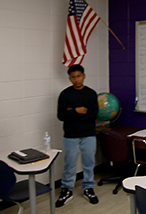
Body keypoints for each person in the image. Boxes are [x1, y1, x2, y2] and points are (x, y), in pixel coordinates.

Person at [56, 64, 99, 207]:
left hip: (88, 134)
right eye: (73, 77)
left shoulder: (91, 94)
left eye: (78, 76)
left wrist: (71, 112)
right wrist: (78, 110)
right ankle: (67, 189)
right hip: (71, 135)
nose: (76, 80)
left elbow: (93, 115)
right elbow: (61, 116)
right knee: (70, 164)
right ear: (70, 78)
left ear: (84, 76)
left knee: (89, 163)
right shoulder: (65, 94)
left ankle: (88, 188)